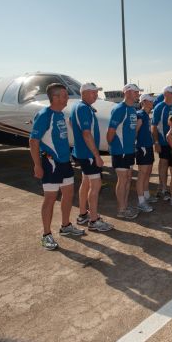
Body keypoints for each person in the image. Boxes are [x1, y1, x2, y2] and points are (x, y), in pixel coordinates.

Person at [29, 83, 85, 251]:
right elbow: (33, 141)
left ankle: (66, 225)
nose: (67, 97)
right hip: (50, 163)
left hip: (64, 162)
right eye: (65, 95)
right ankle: (46, 235)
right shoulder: (45, 114)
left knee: (68, 193)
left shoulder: (60, 114)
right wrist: (37, 165)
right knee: (50, 198)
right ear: (55, 97)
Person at [70, 82, 113, 232]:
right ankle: (94, 221)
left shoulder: (78, 106)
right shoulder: (83, 108)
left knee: (86, 183)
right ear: (85, 93)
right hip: (88, 154)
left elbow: (71, 123)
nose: (96, 95)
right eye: (94, 92)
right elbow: (86, 134)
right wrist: (97, 155)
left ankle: (83, 214)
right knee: (95, 185)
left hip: (81, 152)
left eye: (96, 92)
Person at [107, 83, 141, 219]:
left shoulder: (132, 109)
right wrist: (114, 147)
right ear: (127, 93)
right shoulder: (119, 109)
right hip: (120, 150)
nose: (138, 94)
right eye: (135, 92)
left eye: (138, 92)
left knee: (128, 179)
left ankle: (125, 206)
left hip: (129, 150)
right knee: (122, 179)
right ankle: (121, 209)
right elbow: (110, 132)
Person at [151, 85, 172, 200]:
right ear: (166, 94)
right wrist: (156, 142)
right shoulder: (159, 107)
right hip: (164, 142)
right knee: (163, 164)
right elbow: (154, 126)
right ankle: (163, 188)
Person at [135, 93, 157, 212]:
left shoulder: (147, 115)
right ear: (143, 102)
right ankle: (141, 201)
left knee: (147, 173)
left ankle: (146, 195)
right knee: (142, 174)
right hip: (142, 147)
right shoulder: (140, 115)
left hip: (148, 147)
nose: (152, 102)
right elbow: (135, 131)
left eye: (152, 100)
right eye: (149, 100)